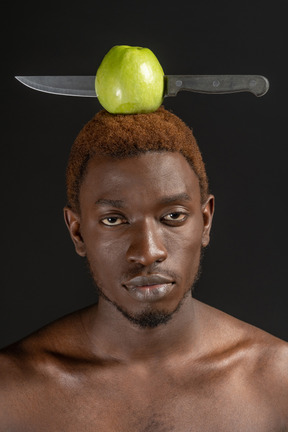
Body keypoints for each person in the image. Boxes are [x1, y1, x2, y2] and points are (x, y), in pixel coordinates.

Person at [0, 106, 287, 431]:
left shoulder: (278, 383)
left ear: (205, 221)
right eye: (114, 220)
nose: (149, 252)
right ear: (77, 232)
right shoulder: (10, 392)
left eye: (173, 216)